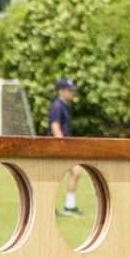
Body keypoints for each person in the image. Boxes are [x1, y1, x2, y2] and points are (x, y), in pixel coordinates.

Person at [49, 78, 80, 215]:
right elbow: (55, 126)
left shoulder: (64, 106)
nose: (72, 92)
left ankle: (69, 206)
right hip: (56, 146)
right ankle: (57, 207)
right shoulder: (57, 106)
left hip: (61, 146)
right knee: (56, 177)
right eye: (69, 90)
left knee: (75, 172)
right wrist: (62, 145)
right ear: (60, 91)